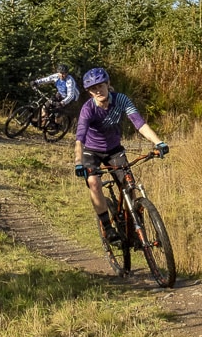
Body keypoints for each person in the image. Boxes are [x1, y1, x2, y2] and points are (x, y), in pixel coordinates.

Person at [72, 67, 168, 246]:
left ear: (108, 84)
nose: (97, 91)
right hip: (91, 151)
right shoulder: (88, 109)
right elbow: (80, 138)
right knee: (94, 182)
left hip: (114, 149)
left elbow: (139, 123)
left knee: (129, 185)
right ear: (89, 92)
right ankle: (108, 228)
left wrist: (158, 142)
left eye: (100, 86)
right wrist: (79, 163)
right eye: (93, 89)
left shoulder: (121, 100)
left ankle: (133, 230)